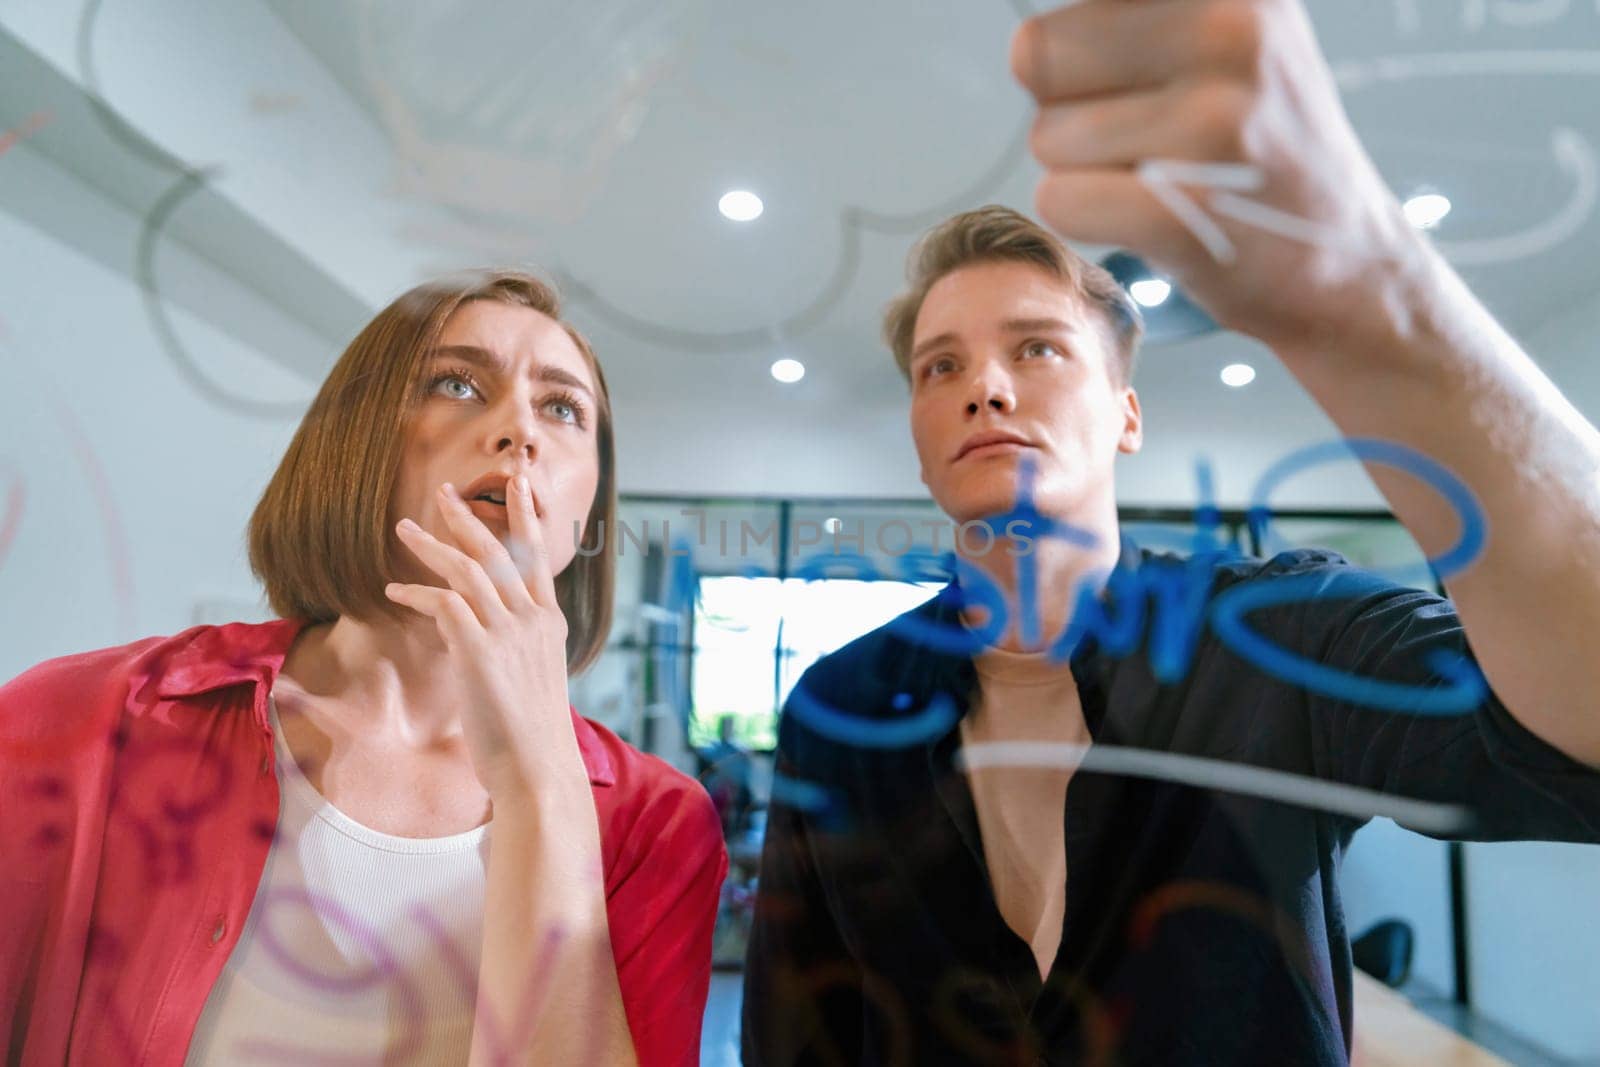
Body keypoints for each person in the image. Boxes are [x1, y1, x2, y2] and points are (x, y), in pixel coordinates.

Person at [742, 2, 1600, 1063]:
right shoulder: (840, 707)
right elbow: (797, 1033)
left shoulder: (1275, 639)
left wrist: (1367, 280)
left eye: (1038, 349)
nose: (985, 388)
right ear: (920, 441)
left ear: (1127, 416)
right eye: (940, 367)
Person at [0, 270, 727, 1066]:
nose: (521, 427)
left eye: (563, 408)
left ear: (588, 503)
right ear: (356, 438)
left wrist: (540, 780)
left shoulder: (662, 827)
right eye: (456, 382)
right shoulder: (79, 722)